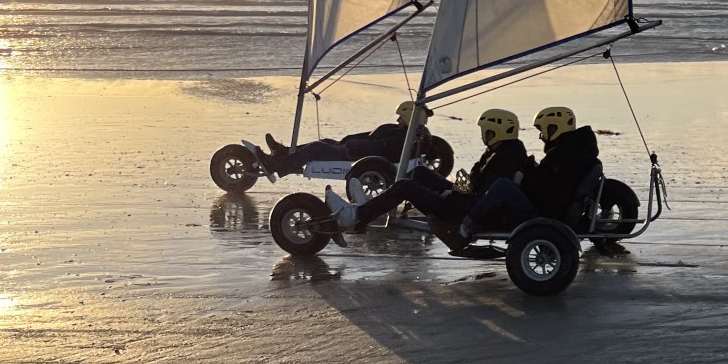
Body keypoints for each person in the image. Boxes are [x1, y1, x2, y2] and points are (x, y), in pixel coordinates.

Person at [323, 108, 528, 234]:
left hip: (461, 210)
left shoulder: (506, 156)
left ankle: (356, 215)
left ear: (495, 131)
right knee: (419, 172)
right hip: (464, 200)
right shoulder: (499, 150)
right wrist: (455, 188)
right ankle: (370, 207)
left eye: (486, 131)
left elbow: (486, 193)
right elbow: (477, 184)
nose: (483, 135)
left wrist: (451, 193)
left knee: (405, 186)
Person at [459, 105, 602, 238]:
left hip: (546, 215)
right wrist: (532, 170)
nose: (541, 136)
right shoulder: (574, 152)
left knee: (502, 186)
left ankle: (467, 226)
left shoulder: (561, 155)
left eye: (543, 131)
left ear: (554, 128)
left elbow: (548, 191)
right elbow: (553, 181)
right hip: (554, 210)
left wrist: (523, 180)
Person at [251, 101, 450, 177]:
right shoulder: (409, 133)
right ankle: (284, 152)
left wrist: (351, 146)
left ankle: (278, 165)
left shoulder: (404, 138)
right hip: (354, 149)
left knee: (316, 148)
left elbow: (379, 148)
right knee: (325, 142)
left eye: (401, 117)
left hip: (356, 155)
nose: (398, 120)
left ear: (410, 118)